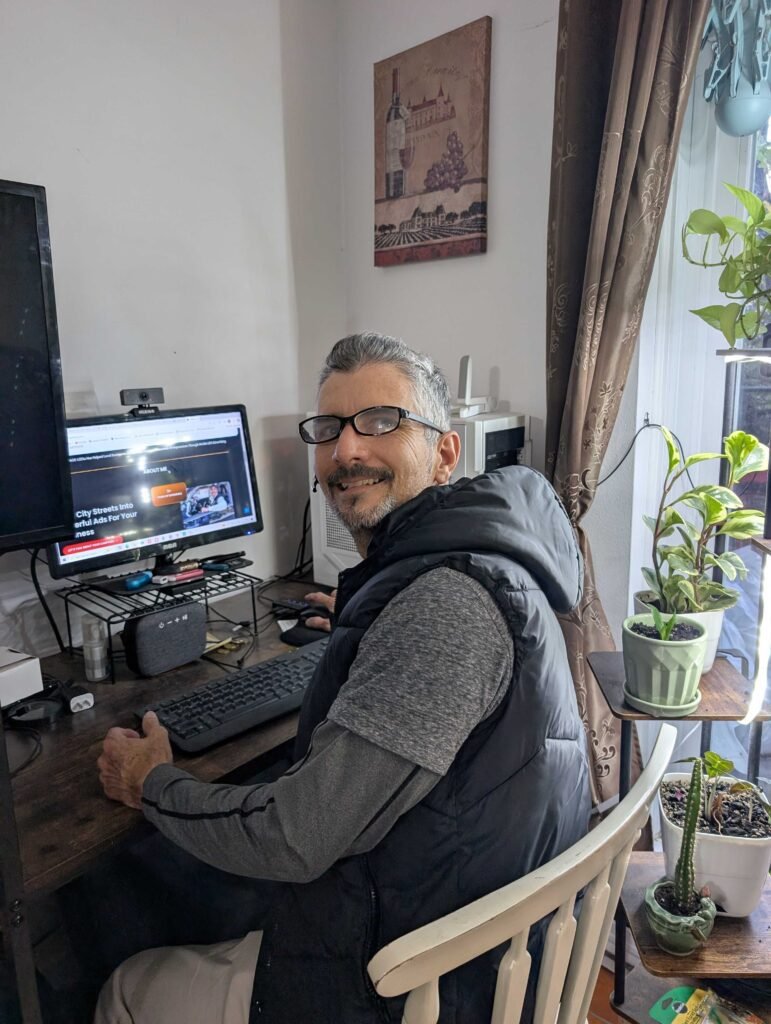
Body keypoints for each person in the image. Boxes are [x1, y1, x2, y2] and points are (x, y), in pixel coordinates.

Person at [95, 332, 591, 1024]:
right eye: (328, 429)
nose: (346, 450)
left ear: (445, 452)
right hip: (470, 925)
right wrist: (369, 626)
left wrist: (150, 780)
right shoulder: (483, 556)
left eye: (381, 421)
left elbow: (296, 838)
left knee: (124, 977)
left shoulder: (443, 605)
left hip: (404, 984)